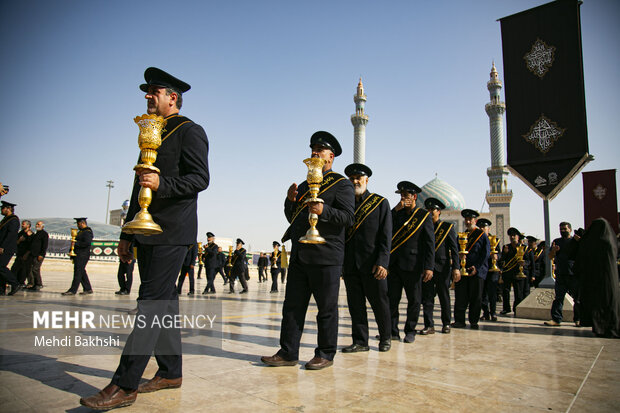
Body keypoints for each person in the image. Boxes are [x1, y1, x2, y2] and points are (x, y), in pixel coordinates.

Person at [80, 67, 209, 410]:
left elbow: (200, 179)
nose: (148, 97)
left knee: (150, 306)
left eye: (154, 92)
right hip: (147, 231)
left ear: (173, 97)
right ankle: (170, 372)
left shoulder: (189, 131)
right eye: (147, 92)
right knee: (163, 305)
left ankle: (125, 384)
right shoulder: (151, 133)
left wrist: (163, 185)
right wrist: (127, 232)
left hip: (173, 233)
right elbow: (139, 185)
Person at [261, 131, 354, 370]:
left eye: (320, 150)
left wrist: (323, 211)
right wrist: (290, 200)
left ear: (331, 157)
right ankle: (288, 352)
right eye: (312, 149)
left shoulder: (342, 184)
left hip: (326, 256)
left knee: (326, 309)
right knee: (292, 307)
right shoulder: (304, 185)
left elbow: (347, 218)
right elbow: (294, 219)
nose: (314, 153)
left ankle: (325, 353)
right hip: (301, 254)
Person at [341, 163, 392, 353]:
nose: (355, 181)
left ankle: (386, 337)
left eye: (358, 178)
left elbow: (386, 236)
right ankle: (361, 341)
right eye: (352, 178)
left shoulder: (380, 203)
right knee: (356, 306)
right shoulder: (344, 205)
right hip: (351, 265)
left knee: (380, 304)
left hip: (373, 265)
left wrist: (383, 262)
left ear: (366, 180)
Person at [387, 181, 435, 343]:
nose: (403, 198)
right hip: (394, 265)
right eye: (401, 195)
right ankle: (393, 330)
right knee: (392, 300)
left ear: (414, 197)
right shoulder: (396, 214)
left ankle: (410, 330)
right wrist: (395, 210)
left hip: (414, 265)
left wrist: (429, 266)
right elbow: (386, 229)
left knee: (414, 300)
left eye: (406, 195)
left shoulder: (423, 216)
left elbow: (429, 244)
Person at [420, 197, 459, 335]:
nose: (430, 212)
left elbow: (454, 250)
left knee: (444, 297)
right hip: (427, 268)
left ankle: (446, 323)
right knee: (427, 297)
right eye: (428, 210)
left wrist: (456, 268)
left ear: (439, 212)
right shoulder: (424, 226)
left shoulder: (447, 228)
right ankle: (429, 325)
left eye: (433, 210)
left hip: (442, 268)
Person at [576, 218, 620, 338]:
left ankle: (599, 327)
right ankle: (610, 326)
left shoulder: (591, 242)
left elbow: (580, 255)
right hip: (610, 279)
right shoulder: (611, 242)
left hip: (594, 279)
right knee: (609, 303)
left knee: (598, 303)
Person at [451, 209, 490, 329]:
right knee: (461, 297)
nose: (468, 221)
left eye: (470, 219)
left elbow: (485, 254)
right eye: (466, 219)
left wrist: (477, 267)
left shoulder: (481, 235)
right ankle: (459, 320)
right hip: (464, 271)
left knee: (476, 297)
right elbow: (456, 252)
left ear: (475, 221)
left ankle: (474, 321)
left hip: (477, 272)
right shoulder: (462, 236)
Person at [545, 222, 580, 327]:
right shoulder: (556, 242)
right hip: (560, 274)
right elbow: (550, 256)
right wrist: (554, 251)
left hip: (573, 274)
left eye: (565, 229)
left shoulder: (575, 241)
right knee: (558, 298)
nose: (563, 231)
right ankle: (556, 319)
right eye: (561, 229)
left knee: (577, 299)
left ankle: (578, 319)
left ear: (570, 229)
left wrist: (580, 242)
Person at [498, 228, 528, 315]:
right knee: (505, 292)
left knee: (518, 293)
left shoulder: (523, 248)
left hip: (518, 273)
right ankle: (506, 308)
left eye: (514, 235)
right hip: (507, 273)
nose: (512, 237)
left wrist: (524, 263)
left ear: (518, 237)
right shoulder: (506, 247)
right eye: (511, 236)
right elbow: (502, 260)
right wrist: (505, 253)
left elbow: (528, 260)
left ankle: (516, 309)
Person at [62, 217, 94, 295]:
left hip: (82, 255)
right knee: (81, 272)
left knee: (78, 273)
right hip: (78, 254)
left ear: (83, 223)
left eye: (78, 224)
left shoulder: (87, 232)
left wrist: (76, 243)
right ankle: (88, 288)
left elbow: (87, 243)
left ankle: (73, 290)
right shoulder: (81, 232)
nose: (77, 226)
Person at [478, 218, 499, 322]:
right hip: (482, 270)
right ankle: (485, 313)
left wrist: (496, 256)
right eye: (480, 227)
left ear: (488, 229)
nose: (482, 229)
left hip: (492, 270)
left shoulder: (495, 240)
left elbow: (500, 254)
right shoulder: (477, 240)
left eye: (484, 227)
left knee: (492, 293)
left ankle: (493, 312)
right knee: (483, 293)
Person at [0, 201, 22, 295]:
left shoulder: (13, 220)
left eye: (3, 208)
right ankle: (1, 289)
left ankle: (15, 283)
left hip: (7, 248)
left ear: (8, 209)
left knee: (1, 267)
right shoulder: (6, 219)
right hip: (3, 247)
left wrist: (2, 246)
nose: (1, 210)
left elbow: (10, 235)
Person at [28, 221, 49, 291]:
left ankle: (39, 284)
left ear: (42, 226)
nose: (37, 225)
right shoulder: (37, 234)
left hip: (39, 255)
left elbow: (44, 245)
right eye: (36, 224)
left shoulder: (44, 234)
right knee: (31, 269)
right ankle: (34, 284)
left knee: (35, 269)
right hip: (33, 254)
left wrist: (41, 254)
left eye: (38, 224)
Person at [11, 219, 33, 286]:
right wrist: (19, 240)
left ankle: (21, 282)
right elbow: (16, 242)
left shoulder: (31, 234)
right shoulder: (21, 233)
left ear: (28, 225)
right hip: (19, 254)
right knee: (14, 269)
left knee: (23, 270)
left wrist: (27, 254)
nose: (22, 225)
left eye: (23, 224)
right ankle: (14, 281)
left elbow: (31, 245)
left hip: (25, 255)